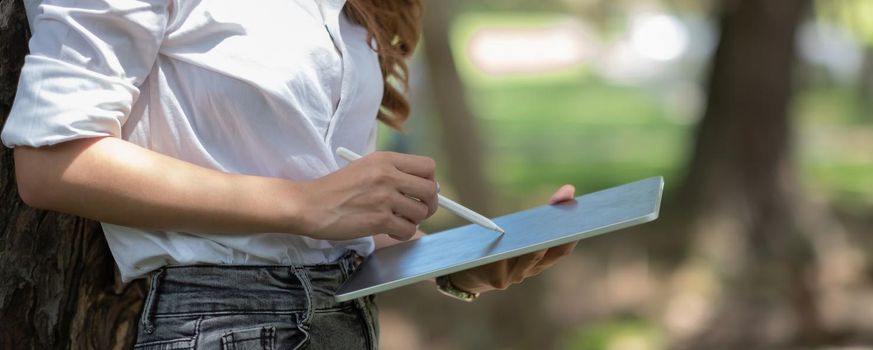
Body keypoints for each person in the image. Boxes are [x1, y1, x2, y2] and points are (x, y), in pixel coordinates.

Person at [2, 0, 578, 348]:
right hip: (222, 322)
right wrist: (302, 203)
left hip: (346, 320)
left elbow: (335, 212)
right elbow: (51, 161)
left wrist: (460, 266)